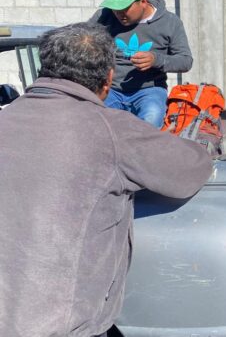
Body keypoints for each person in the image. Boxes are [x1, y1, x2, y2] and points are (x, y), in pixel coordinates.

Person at [0, 23, 213, 337]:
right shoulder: (112, 130)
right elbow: (190, 169)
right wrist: (204, 143)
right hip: (65, 326)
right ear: (108, 79)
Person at [89, 0, 193, 128]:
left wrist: (156, 60)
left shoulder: (170, 22)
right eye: (115, 9)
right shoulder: (104, 16)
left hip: (149, 90)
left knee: (150, 124)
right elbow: (83, 40)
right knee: (94, 124)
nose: (118, 14)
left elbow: (185, 61)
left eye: (124, 8)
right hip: (111, 89)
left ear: (143, 1)